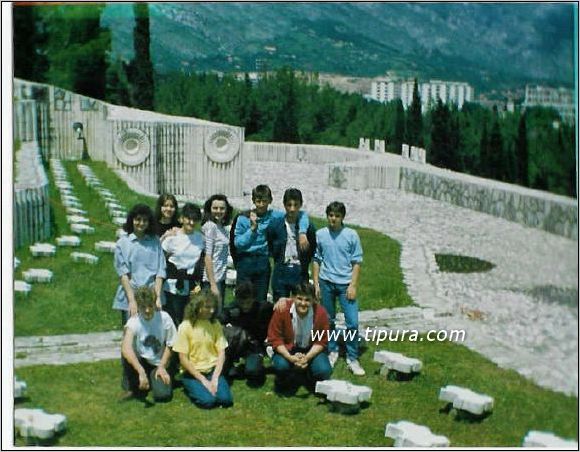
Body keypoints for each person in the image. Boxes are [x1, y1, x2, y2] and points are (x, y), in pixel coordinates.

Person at [233, 184, 310, 304]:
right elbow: (238, 243)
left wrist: (302, 232)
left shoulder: (274, 216)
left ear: (270, 201)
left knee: (261, 299)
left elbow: (302, 214)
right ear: (253, 201)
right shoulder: (243, 218)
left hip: (263, 261)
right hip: (245, 261)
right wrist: (252, 229)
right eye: (258, 201)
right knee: (243, 297)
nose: (261, 205)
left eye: (264, 201)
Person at [312, 201, 365, 376]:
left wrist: (353, 285)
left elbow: (356, 262)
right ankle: (332, 350)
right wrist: (317, 283)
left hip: (345, 285)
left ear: (342, 217)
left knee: (352, 322)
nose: (333, 219)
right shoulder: (321, 234)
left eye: (337, 216)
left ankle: (352, 357)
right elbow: (316, 260)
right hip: (326, 282)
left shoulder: (351, 235)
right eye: (330, 215)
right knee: (328, 320)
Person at [267, 282, 332, 394]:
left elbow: (322, 341)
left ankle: (310, 377)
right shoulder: (282, 310)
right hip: (289, 348)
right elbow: (275, 338)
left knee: (324, 370)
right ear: (293, 298)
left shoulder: (321, 313)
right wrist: (290, 357)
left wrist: (306, 357)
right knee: (281, 365)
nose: (303, 303)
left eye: (307, 300)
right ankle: (284, 381)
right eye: (299, 299)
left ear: (313, 300)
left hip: (310, 349)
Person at [172, 291, 233, 409]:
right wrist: (203, 380)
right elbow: (183, 358)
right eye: (207, 307)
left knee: (225, 400)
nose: (211, 311)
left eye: (213, 307)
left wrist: (215, 378)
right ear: (197, 307)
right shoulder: (185, 326)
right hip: (193, 373)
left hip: (212, 370)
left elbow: (221, 352)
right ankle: (192, 385)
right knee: (208, 401)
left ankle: (212, 386)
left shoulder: (215, 324)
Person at [121, 286, 176, 402]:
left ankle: (153, 380)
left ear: (154, 304)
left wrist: (162, 366)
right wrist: (141, 371)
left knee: (162, 396)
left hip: (159, 361)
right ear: (138, 306)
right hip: (142, 360)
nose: (147, 310)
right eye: (143, 307)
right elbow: (126, 349)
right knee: (128, 353)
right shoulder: (133, 322)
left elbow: (171, 344)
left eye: (150, 306)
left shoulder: (164, 318)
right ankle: (131, 387)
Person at [113, 203, 166, 326]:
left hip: (152, 295)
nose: (141, 223)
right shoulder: (122, 243)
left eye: (145, 220)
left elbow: (160, 272)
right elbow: (123, 274)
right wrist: (132, 301)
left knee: (153, 334)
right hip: (131, 295)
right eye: (138, 219)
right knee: (131, 335)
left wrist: (157, 297)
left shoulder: (155, 242)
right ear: (131, 220)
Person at [267, 188, 316, 301]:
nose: (292, 209)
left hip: (300, 271)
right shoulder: (276, 225)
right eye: (289, 205)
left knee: (300, 306)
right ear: (284, 205)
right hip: (281, 271)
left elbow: (312, 249)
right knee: (280, 306)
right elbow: (270, 244)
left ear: (300, 205)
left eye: (295, 205)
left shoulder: (308, 228)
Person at [161, 203, 205, 327]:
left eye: (194, 220)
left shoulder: (200, 239)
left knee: (188, 322)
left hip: (191, 286)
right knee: (173, 321)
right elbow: (160, 259)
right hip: (172, 285)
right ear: (182, 218)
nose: (191, 222)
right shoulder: (172, 238)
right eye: (188, 219)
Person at [220, 281, 273, 386]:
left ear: (254, 298)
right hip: (236, 345)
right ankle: (230, 364)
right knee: (224, 371)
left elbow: (280, 312)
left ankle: (248, 366)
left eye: (248, 302)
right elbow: (217, 322)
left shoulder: (264, 308)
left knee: (253, 372)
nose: (245, 306)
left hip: (254, 347)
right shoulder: (232, 310)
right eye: (241, 302)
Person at [201, 194, 233, 313]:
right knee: (211, 315)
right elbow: (208, 257)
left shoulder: (221, 227)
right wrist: (213, 284)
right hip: (211, 280)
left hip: (221, 277)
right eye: (215, 208)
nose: (218, 211)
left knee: (217, 316)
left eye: (221, 208)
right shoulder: (210, 227)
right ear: (210, 209)